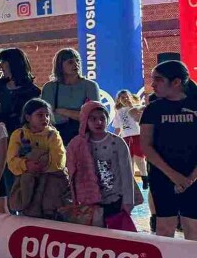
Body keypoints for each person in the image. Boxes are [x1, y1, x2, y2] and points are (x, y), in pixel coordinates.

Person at [140, 60, 197, 240]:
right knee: (164, 229)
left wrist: (191, 177)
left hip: (193, 176)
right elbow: (146, 146)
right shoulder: (153, 109)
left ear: (176, 82)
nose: (153, 84)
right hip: (162, 176)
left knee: (193, 229)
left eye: (158, 79)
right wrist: (173, 176)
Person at [66, 101, 135, 229]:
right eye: (93, 119)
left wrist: (128, 201)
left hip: (115, 199)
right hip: (90, 202)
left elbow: (127, 174)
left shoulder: (117, 143)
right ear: (85, 121)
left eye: (102, 118)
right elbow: (72, 174)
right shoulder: (77, 145)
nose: (98, 122)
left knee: (115, 234)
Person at [6, 99, 69, 219]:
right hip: (28, 186)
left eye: (47, 115)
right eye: (40, 115)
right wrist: (26, 164)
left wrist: (38, 163)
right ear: (28, 117)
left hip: (51, 186)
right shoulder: (18, 135)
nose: (45, 118)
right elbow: (11, 161)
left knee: (50, 217)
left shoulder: (53, 135)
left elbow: (59, 162)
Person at [41, 48, 100, 146]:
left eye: (77, 61)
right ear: (60, 65)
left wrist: (64, 111)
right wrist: (78, 115)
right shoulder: (50, 87)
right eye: (70, 62)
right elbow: (47, 118)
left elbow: (95, 116)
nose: (76, 64)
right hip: (57, 140)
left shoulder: (90, 86)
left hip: (85, 139)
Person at [114, 90, 147, 190]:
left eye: (127, 97)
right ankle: (131, 182)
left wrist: (131, 105)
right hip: (126, 137)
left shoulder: (137, 107)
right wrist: (115, 138)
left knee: (140, 159)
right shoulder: (119, 112)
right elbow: (118, 127)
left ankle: (145, 179)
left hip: (138, 136)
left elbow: (141, 119)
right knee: (129, 160)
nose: (125, 99)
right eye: (122, 98)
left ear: (131, 97)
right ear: (119, 100)